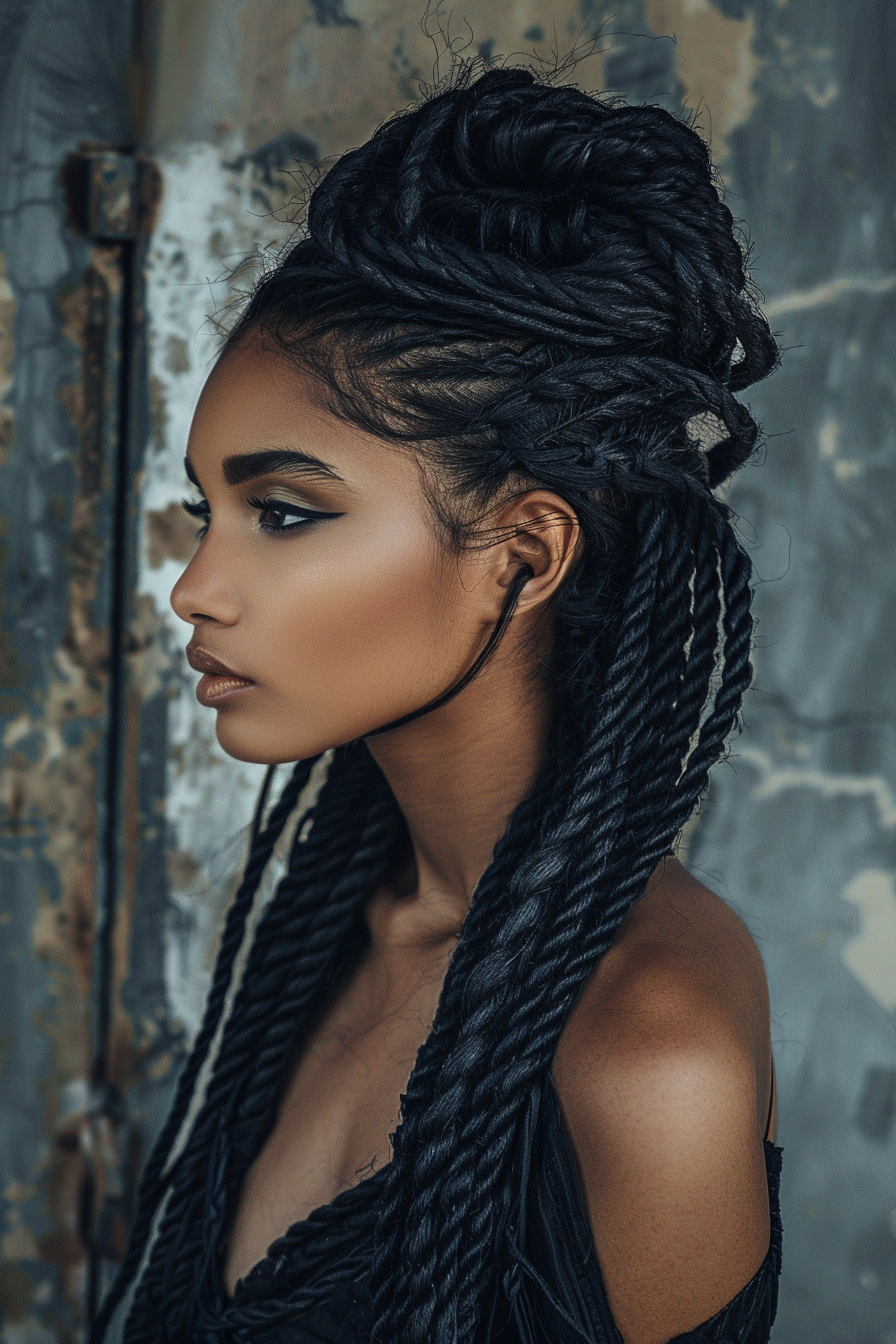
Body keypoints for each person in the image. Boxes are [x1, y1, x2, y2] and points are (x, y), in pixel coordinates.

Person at [93, 64, 783, 1344]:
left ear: (522, 552)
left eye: (285, 513)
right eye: (209, 509)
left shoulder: (646, 1053)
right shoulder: (334, 925)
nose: (195, 587)